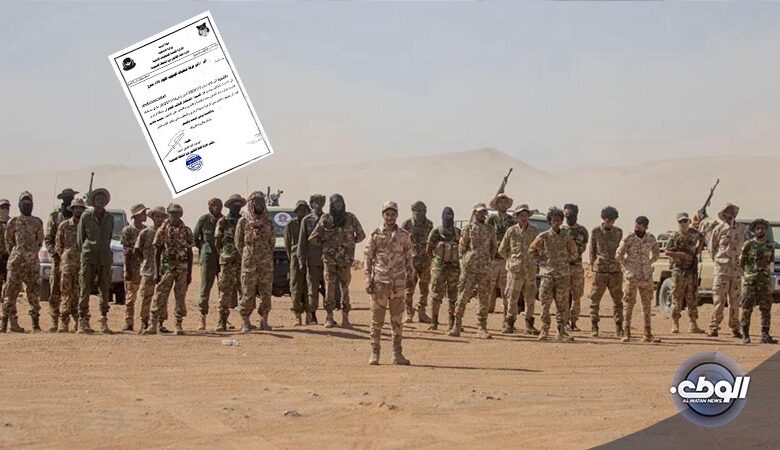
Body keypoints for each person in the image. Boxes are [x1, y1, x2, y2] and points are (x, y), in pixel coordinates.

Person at [364, 201, 413, 365]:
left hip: (398, 283)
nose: (390, 217)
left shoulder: (404, 235)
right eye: (387, 214)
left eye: (393, 214)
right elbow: (368, 258)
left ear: (397, 215)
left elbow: (408, 257)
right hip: (380, 282)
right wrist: (367, 279)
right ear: (383, 215)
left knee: (397, 320)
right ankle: (375, 352)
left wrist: (411, 275)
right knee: (377, 320)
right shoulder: (375, 234)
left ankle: (397, 354)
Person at [309, 194, 366, 328]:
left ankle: (345, 318)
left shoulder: (350, 218)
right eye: (335, 203)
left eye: (340, 202)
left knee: (345, 289)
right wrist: (325, 244)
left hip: (345, 260)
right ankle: (329, 317)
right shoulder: (326, 219)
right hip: (329, 261)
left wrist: (349, 243)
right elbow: (313, 238)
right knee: (329, 289)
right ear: (331, 205)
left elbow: (361, 235)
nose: (338, 205)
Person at [528, 207, 577, 341]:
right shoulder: (543, 237)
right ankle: (544, 330)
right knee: (545, 304)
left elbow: (574, 253)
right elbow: (531, 251)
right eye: (553, 220)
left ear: (561, 221)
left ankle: (561, 331)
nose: (556, 222)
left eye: (558, 220)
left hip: (562, 276)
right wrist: (542, 262)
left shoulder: (566, 237)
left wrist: (565, 260)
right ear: (550, 221)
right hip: (547, 275)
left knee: (562, 305)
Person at [449, 203, 497, 339]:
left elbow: (493, 247)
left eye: (484, 212)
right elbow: (462, 247)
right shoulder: (468, 228)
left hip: (484, 268)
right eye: (479, 212)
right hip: (469, 267)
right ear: (475, 213)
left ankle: (482, 327)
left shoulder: (490, 229)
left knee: (484, 297)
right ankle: (456, 325)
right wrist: (464, 262)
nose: (482, 214)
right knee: (463, 296)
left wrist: (488, 259)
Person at [145, 204, 193, 335]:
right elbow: (157, 251)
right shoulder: (162, 230)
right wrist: (156, 271)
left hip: (182, 268)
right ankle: (153, 323)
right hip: (166, 267)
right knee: (160, 295)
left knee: (180, 296)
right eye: (172, 213)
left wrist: (189, 273)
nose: (174, 216)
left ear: (181, 215)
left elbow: (190, 252)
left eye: (177, 213)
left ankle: (178, 323)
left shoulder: (186, 230)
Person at [1, 191, 44, 333]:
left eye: (29, 201)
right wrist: (17, 253)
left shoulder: (37, 222)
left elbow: (39, 241)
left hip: (32, 264)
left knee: (34, 294)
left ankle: (35, 324)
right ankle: (4, 324)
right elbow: (8, 241)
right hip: (16, 263)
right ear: (19, 204)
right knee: (10, 294)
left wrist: (31, 253)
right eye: (24, 201)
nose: (27, 204)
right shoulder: (13, 222)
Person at [615, 216, 660, 343]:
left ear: (646, 227)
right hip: (632, 277)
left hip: (646, 277)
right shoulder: (629, 238)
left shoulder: (650, 238)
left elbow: (656, 254)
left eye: (640, 226)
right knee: (628, 304)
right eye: (636, 225)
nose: (637, 227)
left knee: (647, 306)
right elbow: (618, 255)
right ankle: (626, 332)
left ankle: (647, 333)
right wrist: (626, 266)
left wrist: (648, 263)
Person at [707, 203, 749, 338]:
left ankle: (735, 328)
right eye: (727, 212)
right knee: (719, 299)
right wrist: (719, 260)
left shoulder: (742, 229)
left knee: (735, 301)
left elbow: (748, 246)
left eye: (732, 211)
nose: (729, 214)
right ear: (723, 214)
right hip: (722, 270)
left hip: (736, 270)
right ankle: (714, 327)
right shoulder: (718, 229)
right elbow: (712, 248)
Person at [236, 191, 275, 332]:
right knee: (247, 292)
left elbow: (272, 242)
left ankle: (264, 319)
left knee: (266, 293)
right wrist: (249, 255)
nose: (259, 204)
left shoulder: (268, 222)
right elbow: (238, 243)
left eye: (261, 202)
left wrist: (264, 254)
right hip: (249, 263)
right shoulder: (243, 221)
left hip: (266, 263)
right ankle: (245, 320)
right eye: (256, 202)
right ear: (251, 203)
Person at [77, 188, 114, 334]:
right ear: (93, 201)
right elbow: (80, 239)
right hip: (89, 257)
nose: (100, 201)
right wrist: (86, 252)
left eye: (103, 199)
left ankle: (103, 321)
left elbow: (109, 237)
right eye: (98, 198)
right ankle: (82, 320)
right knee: (85, 288)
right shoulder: (86, 216)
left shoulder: (109, 218)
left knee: (104, 290)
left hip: (104, 258)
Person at [498, 205, 539, 335]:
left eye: (526, 215)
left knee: (530, 297)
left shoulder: (534, 231)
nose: (524, 218)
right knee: (512, 297)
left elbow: (539, 248)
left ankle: (529, 325)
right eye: (521, 215)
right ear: (517, 217)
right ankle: (509, 323)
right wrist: (511, 260)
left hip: (530, 270)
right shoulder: (511, 231)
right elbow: (501, 249)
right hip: (515, 271)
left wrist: (534, 260)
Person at [665, 212, 706, 334]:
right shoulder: (674, 236)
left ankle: (693, 324)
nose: (683, 224)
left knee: (692, 297)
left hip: (691, 271)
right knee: (677, 297)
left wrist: (698, 250)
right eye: (681, 221)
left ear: (689, 222)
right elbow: (667, 251)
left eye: (685, 221)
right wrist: (680, 255)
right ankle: (675, 324)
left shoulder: (695, 234)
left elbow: (703, 238)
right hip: (679, 271)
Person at [44, 188, 78, 331]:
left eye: (70, 197)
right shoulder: (55, 215)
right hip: (58, 259)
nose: (68, 200)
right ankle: (54, 321)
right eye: (66, 198)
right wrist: (55, 255)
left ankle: (76, 320)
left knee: (75, 290)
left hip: (74, 261)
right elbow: (48, 239)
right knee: (55, 291)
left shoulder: (79, 217)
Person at [739, 219, 776, 344]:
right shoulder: (748, 245)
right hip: (750, 282)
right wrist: (747, 275)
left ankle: (765, 335)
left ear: (766, 230)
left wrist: (771, 279)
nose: (760, 230)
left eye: (762, 228)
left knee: (766, 309)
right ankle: (745, 335)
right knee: (746, 308)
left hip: (764, 282)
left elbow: (771, 263)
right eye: (758, 228)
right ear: (754, 231)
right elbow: (742, 262)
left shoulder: (770, 245)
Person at [589, 206, 624, 338]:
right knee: (595, 299)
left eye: (612, 220)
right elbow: (592, 251)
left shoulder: (618, 232)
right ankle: (594, 326)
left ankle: (619, 327)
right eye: (608, 220)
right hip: (600, 271)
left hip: (615, 271)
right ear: (603, 219)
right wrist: (593, 266)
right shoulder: (596, 231)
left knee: (618, 300)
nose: (610, 222)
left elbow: (621, 250)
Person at [426, 207, 461, 332]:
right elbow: (428, 249)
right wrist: (435, 262)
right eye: (447, 216)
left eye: (451, 216)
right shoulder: (436, 231)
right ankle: (434, 322)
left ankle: (452, 323)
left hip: (454, 269)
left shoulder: (458, 232)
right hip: (439, 269)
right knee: (436, 296)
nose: (449, 218)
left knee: (453, 297)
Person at [215, 194, 246, 332]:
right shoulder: (223, 221)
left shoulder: (244, 221)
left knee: (244, 291)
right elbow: (217, 241)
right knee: (225, 291)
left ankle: (245, 320)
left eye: (239, 204)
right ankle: (222, 321)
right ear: (229, 206)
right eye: (234, 204)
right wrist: (223, 256)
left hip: (242, 261)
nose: (237, 206)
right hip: (227, 261)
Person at [134, 206, 167, 333]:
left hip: (163, 270)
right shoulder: (145, 233)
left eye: (162, 217)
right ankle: (144, 322)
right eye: (157, 216)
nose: (159, 219)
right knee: (146, 297)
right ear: (152, 217)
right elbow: (137, 250)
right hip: (148, 270)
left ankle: (160, 323)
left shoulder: (166, 232)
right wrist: (144, 261)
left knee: (161, 298)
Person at [55, 198, 86, 332]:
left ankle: (80, 321)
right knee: (66, 293)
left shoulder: (86, 226)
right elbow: (58, 245)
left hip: (82, 265)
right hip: (67, 265)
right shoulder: (64, 225)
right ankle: (64, 322)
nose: (78, 210)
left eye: (80, 208)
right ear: (72, 209)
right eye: (76, 208)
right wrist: (65, 257)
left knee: (80, 293)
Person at [193, 198, 223, 331]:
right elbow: (195, 237)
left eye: (219, 205)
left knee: (224, 288)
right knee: (205, 288)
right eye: (214, 205)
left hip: (222, 257)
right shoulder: (204, 220)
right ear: (209, 207)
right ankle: (202, 316)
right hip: (208, 257)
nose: (217, 208)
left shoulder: (224, 220)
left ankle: (223, 318)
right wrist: (204, 248)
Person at [401, 201, 433, 323]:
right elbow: (400, 241)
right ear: (413, 211)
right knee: (409, 289)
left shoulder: (429, 224)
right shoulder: (407, 224)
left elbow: (432, 241)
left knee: (424, 289)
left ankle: (422, 313)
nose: (420, 213)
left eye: (422, 211)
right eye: (417, 211)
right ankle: (409, 312)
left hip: (425, 261)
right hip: (411, 262)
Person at [297, 194, 327, 324]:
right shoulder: (307, 220)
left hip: (327, 260)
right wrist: (301, 261)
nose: (319, 204)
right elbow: (302, 242)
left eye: (321, 201)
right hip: (312, 260)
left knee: (328, 289)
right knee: (312, 290)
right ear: (312, 203)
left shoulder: (328, 218)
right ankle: (312, 314)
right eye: (316, 202)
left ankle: (329, 315)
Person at [486, 193, 516, 314]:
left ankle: (506, 312)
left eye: (505, 202)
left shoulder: (512, 221)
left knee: (506, 287)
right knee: (489, 285)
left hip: (506, 258)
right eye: (500, 202)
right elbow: (486, 235)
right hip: (493, 258)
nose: (503, 205)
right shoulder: (491, 219)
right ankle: (486, 310)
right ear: (497, 204)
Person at [561, 203, 589, 331]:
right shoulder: (561, 230)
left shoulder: (582, 230)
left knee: (577, 296)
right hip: (564, 267)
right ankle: (565, 321)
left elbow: (583, 247)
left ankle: (574, 321)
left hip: (577, 266)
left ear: (576, 214)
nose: (568, 216)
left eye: (571, 214)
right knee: (564, 295)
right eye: (566, 214)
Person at [120, 203, 147, 332]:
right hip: (132, 267)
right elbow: (126, 251)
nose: (145, 215)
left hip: (145, 267)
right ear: (136, 216)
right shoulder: (128, 231)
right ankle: (129, 321)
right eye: (143, 213)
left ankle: (144, 321)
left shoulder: (146, 231)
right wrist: (128, 270)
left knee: (145, 296)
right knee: (131, 296)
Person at [284, 200, 310, 326]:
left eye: (305, 210)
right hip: (295, 258)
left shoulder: (310, 223)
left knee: (309, 287)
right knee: (296, 287)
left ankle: (310, 314)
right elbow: (287, 245)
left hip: (309, 258)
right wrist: (293, 258)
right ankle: (297, 315)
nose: (303, 212)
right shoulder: (290, 225)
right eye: (300, 210)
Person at [0, 199, 11, 308]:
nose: (5, 209)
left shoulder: (13, 223)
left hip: (9, 258)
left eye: (7, 207)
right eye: (2, 207)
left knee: (9, 288)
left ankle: (7, 312)